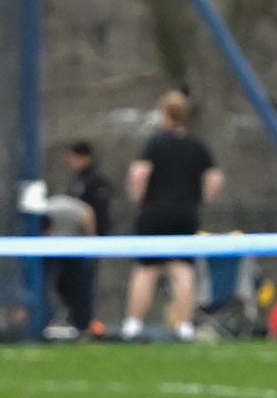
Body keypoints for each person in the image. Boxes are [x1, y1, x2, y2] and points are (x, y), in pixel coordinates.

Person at [121, 90, 223, 341]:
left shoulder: (156, 143)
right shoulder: (196, 145)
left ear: (164, 114)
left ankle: (133, 324)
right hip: (185, 213)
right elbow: (214, 176)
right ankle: (185, 325)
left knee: (147, 269)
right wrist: (200, 199)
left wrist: (138, 200)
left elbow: (138, 172)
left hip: (155, 211)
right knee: (182, 269)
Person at [41, 140, 111, 339]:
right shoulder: (77, 181)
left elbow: (89, 214)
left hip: (85, 244)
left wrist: (93, 240)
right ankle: (74, 321)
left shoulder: (95, 181)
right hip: (73, 244)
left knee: (82, 285)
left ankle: (84, 324)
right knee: (65, 284)